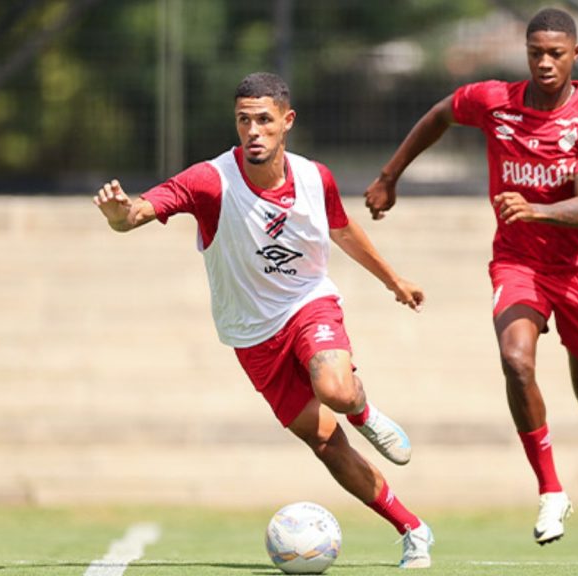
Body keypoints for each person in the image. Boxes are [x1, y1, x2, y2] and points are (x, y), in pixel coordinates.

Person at [94, 72, 434, 569]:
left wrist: (393, 280)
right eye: (243, 121)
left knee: (337, 390)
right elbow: (141, 211)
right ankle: (413, 529)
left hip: (307, 303)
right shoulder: (210, 181)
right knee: (324, 442)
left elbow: (342, 230)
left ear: (286, 122)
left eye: (263, 121)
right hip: (252, 337)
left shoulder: (316, 177)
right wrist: (119, 215)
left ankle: (366, 413)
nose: (253, 131)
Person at [364, 7, 578, 564]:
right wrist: (391, 175)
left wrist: (534, 210)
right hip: (518, 264)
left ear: (575, 55)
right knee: (516, 361)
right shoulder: (494, 101)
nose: (544, 62)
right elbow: (440, 114)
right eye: (536, 52)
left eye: (556, 53)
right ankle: (551, 491)